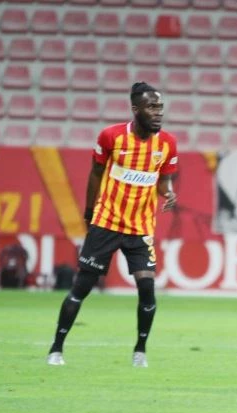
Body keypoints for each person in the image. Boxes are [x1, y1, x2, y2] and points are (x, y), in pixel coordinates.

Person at [46, 82, 178, 368]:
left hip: (140, 228)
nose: (158, 112)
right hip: (106, 223)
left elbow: (163, 180)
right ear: (135, 109)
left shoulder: (167, 143)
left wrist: (168, 193)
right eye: (152, 107)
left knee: (147, 288)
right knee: (81, 287)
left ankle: (140, 351)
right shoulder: (111, 136)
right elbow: (95, 174)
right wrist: (89, 212)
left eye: (160, 107)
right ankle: (56, 348)